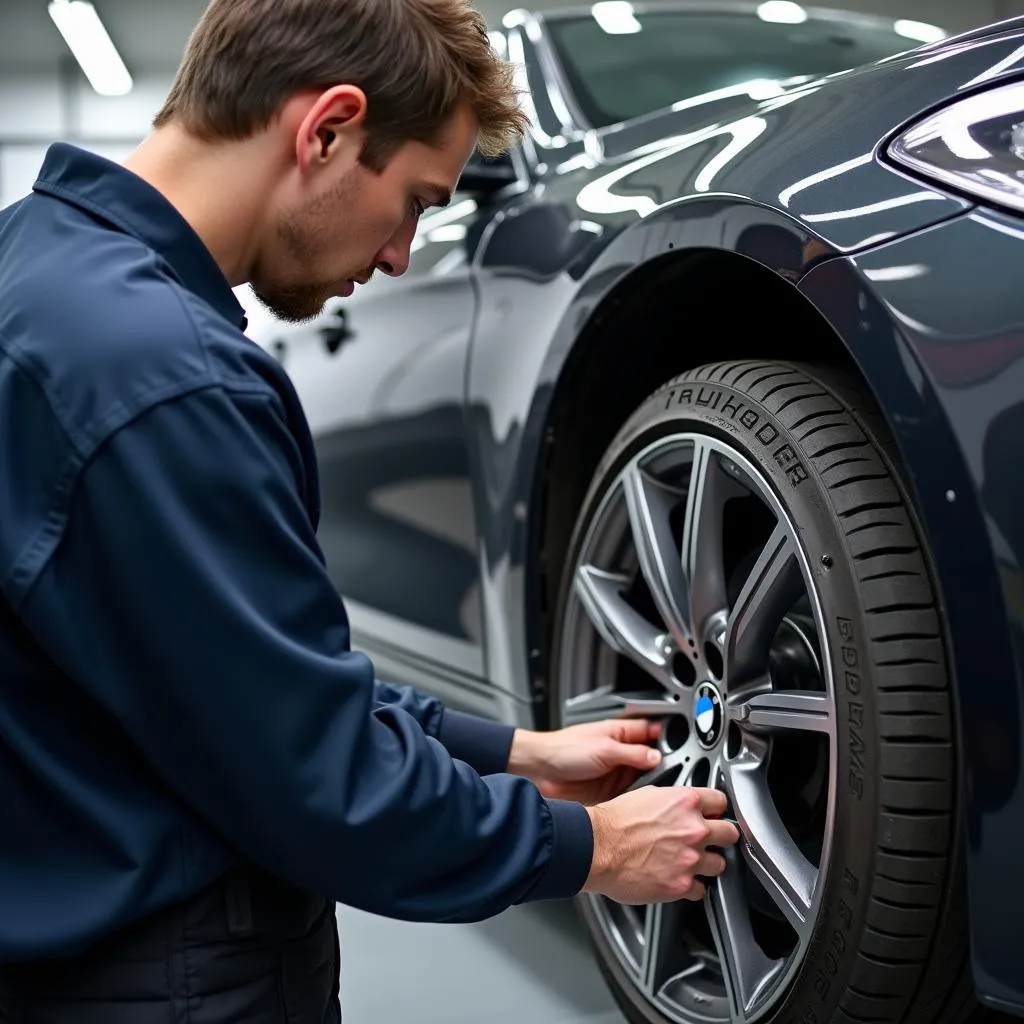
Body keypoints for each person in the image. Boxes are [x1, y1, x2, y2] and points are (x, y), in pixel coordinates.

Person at [0, 0, 741, 1020]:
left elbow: (227, 674)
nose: (399, 257)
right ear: (329, 129)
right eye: (415, 203)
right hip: (158, 977)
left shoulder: (35, 277)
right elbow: (314, 779)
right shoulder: (161, 378)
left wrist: (511, 753)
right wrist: (594, 848)